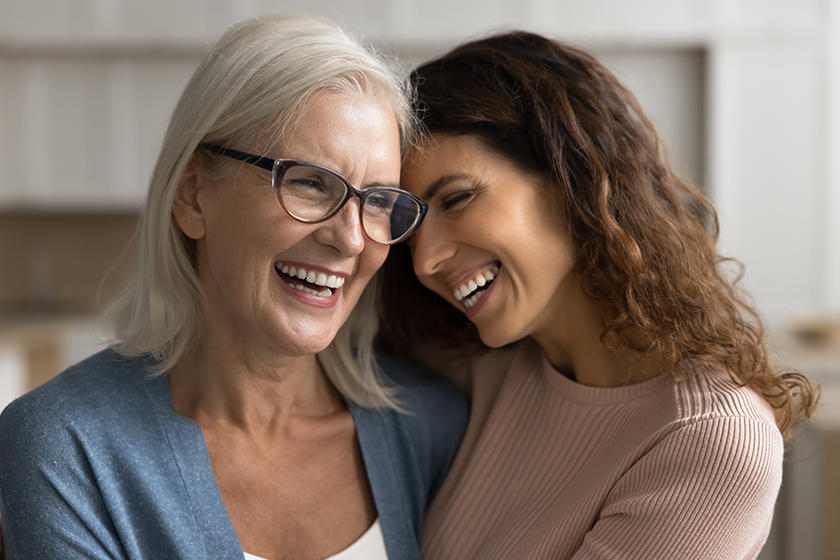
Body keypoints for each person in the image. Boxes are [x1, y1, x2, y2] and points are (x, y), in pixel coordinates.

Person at [0, 13, 468, 560]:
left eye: (379, 202)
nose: (350, 240)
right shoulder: (66, 446)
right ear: (194, 195)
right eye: (311, 183)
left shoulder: (432, 428)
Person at [379, 31, 818, 559]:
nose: (424, 260)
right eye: (410, 222)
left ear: (572, 175)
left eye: (458, 198)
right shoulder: (471, 367)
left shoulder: (709, 444)